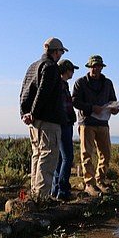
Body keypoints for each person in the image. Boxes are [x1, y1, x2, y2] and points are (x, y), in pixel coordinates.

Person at [19, 37, 67, 200]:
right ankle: (41, 199)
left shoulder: (33, 66)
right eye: (61, 51)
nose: (61, 54)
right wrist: (33, 112)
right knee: (48, 158)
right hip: (48, 121)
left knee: (37, 156)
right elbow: (43, 92)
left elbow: (23, 91)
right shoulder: (51, 67)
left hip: (34, 122)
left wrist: (25, 113)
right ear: (55, 51)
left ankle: (35, 195)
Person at [72, 55, 119, 196]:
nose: (96, 69)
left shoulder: (108, 83)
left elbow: (113, 101)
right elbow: (75, 101)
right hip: (86, 122)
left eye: (98, 66)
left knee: (106, 153)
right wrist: (92, 108)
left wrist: (115, 109)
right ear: (89, 67)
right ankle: (89, 184)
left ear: (101, 67)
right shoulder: (80, 82)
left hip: (103, 123)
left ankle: (100, 180)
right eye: (93, 66)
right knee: (87, 154)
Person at [50, 59, 79, 201]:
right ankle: (62, 190)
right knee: (67, 157)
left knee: (61, 158)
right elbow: (63, 107)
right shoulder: (60, 85)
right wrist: (67, 119)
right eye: (71, 70)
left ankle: (55, 190)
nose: (72, 72)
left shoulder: (62, 84)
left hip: (64, 123)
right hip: (64, 124)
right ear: (66, 70)